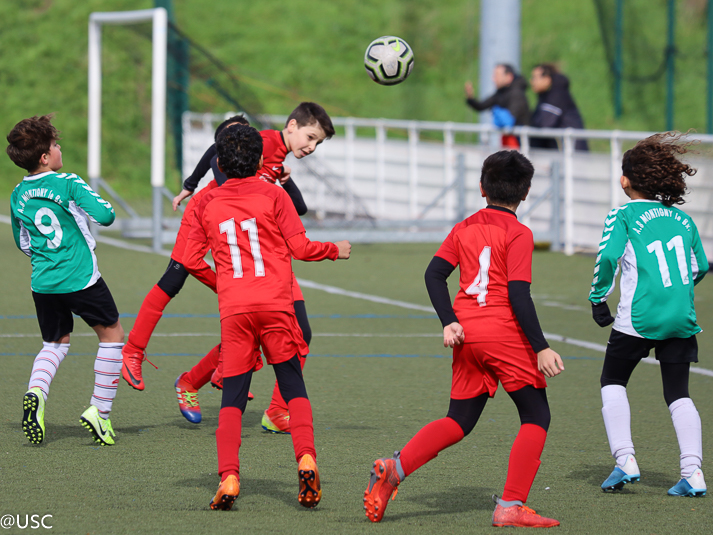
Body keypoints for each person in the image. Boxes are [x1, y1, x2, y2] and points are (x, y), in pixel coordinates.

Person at [363, 150, 564, 528]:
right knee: (536, 414)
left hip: (466, 334)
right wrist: (540, 346)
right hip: (504, 334)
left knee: (459, 419)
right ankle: (510, 505)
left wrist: (448, 321)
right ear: (527, 192)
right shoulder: (519, 233)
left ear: (481, 188)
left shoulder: (464, 226)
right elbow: (519, 295)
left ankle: (395, 468)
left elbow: (433, 275)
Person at [182, 123, 350, 511]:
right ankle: (306, 458)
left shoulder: (206, 203)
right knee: (292, 385)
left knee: (232, 399)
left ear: (219, 162)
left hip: (236, 310)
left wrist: (222, 281)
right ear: (260, 160)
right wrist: (334, 249)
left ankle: (229, 477)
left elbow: (190, 258)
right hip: (276, 305)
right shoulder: (275, 195)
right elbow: (301, 247)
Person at [170, 102, 335, 434]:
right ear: (292, 126)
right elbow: (217, 149)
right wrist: (193, 182)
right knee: (260, 336)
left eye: (318, 143)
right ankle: (193, 382)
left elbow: (296, 207)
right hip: (253, 260)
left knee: (289, 333)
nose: (311, 147)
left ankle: (272, 410)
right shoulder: (263, 143)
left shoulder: (279, 159)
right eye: (310, 137)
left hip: (273, 265)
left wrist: (283, 181)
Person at [589, 132, 708, 497]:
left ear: (625, 180)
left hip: (638, 318)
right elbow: (700, 266)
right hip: (681, 317)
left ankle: (625, 460)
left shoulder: (623, 213)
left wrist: (598, 297)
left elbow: (609, 257)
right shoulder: (683, 219)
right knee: (679, 394)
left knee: (612, 381)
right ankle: (693, 473)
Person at [7, 114, 124, 446]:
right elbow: (106, 215)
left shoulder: (18, 194)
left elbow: (23, 243)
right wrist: (86, 208)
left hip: (43, 282)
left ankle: (37, 392)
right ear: (45, 157)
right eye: (55, 145)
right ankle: (99, 413)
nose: (60, 149)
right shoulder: (68, 181)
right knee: (112, 335)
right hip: (81, 278)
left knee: (54, 344)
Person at [465, 64, 530, 149]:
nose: (493, 79)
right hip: (510, 141)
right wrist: (470, 98)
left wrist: (495, 111)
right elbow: (481, 106)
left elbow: (509, 121)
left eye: (497, 75)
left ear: (509, 77)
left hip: (520, 142)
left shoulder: (517, 94)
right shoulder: (500, 92)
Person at [529, 63, 588, 151]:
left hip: (572, 154)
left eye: (535, 78)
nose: (531, 81)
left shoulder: (556, 96)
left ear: (547, 79)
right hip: (563, 153)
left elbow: (544, 124)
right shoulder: (546, 96)